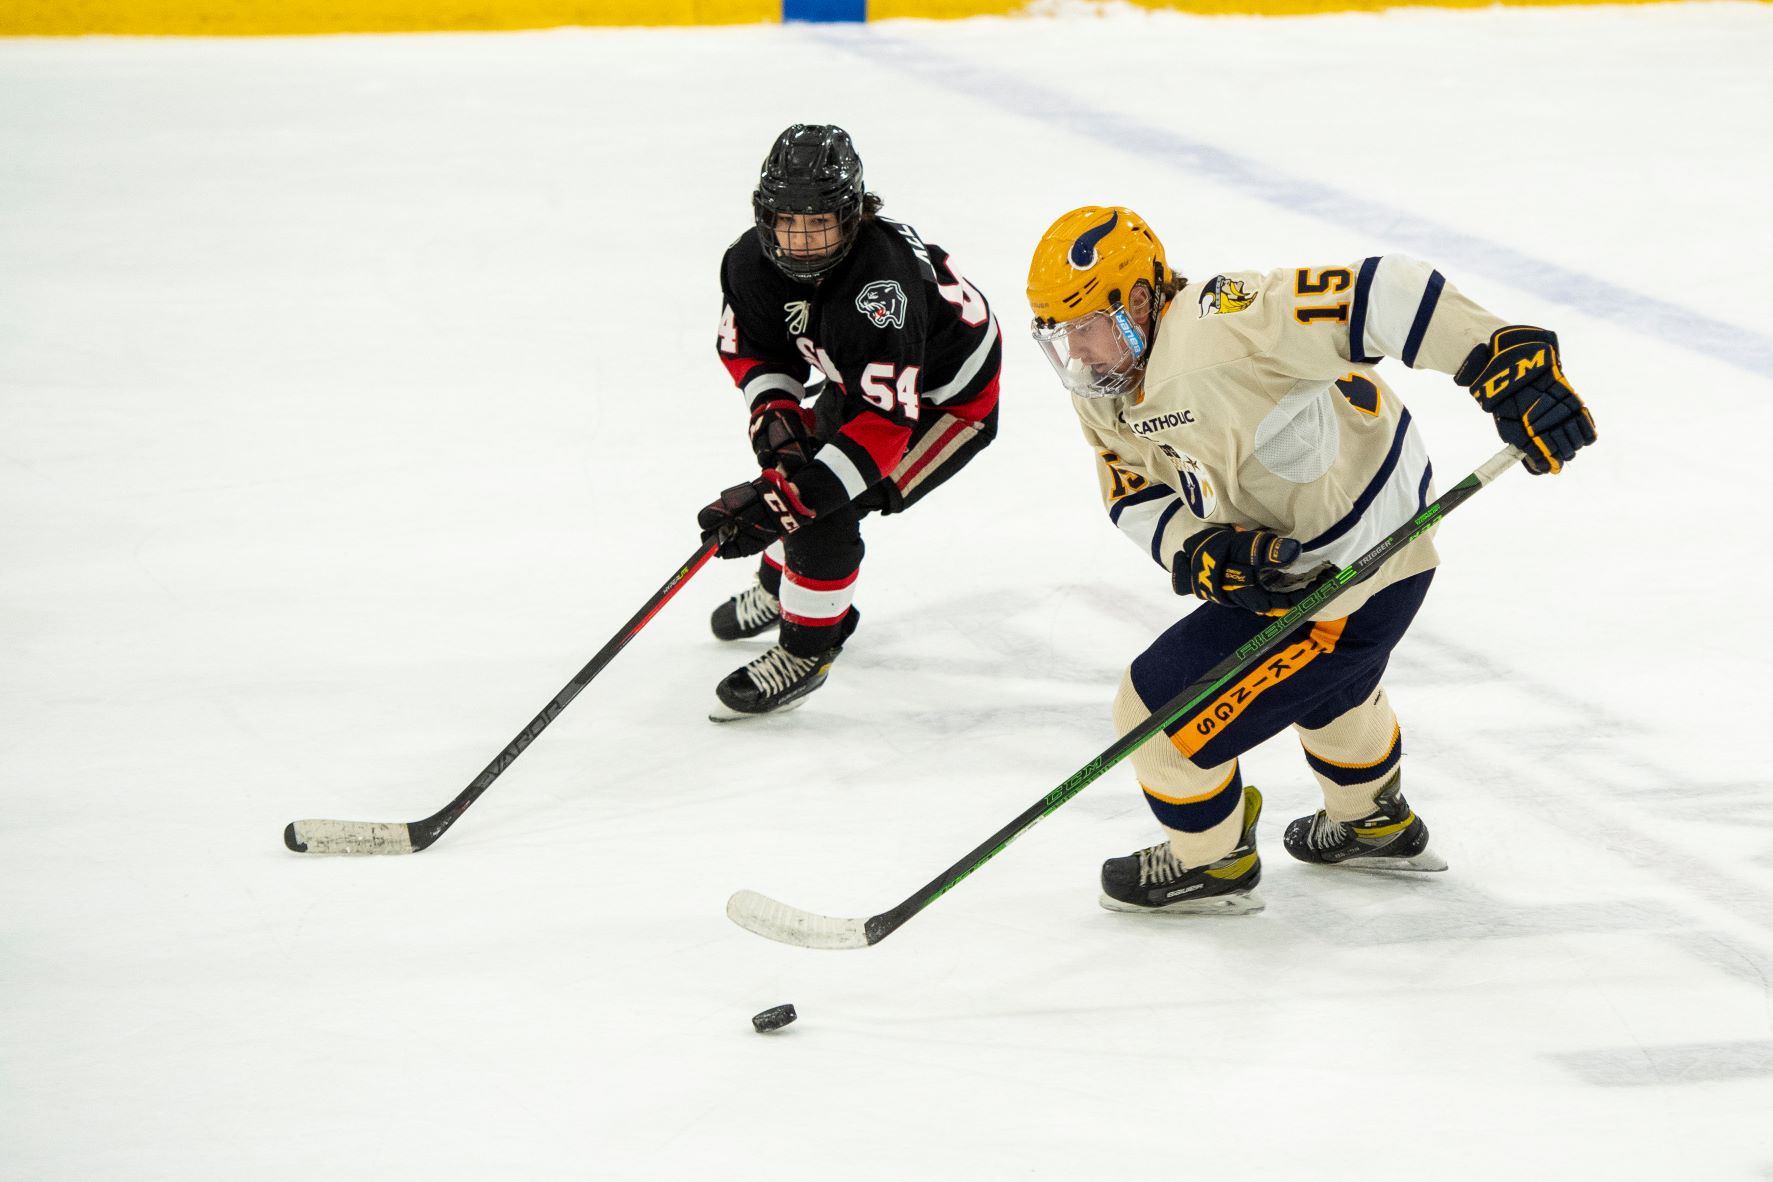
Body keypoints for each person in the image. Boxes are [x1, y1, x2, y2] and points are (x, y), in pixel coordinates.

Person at [1025, 206, 1596, 914]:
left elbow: (1380, 292)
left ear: (1141, 299)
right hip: (1343, 568)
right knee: (1331, 691)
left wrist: (1499, 354)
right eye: (1060, 334)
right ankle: (1372, 823)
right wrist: (1198, 550)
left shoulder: (1220, 324)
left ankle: (1211, 862)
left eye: (1089, 325)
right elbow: (1128, 486)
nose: (1077, 352)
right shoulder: (1105, 389)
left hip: (1344, 574)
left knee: (1154, 717)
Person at [696, 124, 1002, 720]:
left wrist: (790, 501)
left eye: (820, 223)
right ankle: (784, 589)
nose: (803, 241)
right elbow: (755, 349)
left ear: (854, 215)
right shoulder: (747, 262)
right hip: (858, 375)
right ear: (766, 216)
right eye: (790, 221)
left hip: (944, 405)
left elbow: (885, 427)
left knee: (821, 508)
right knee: (793, 476)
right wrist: (776, 415)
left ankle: (807, 651)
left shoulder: (881, 289)